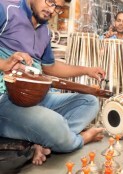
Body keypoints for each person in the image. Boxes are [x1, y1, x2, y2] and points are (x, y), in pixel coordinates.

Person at [0, 0, 105, 165]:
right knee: (53, 122)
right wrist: (4, 64)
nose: (52, 9)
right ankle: (78, 140)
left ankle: (43, 140)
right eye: (50, 1)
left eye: (58, 7)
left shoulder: (45, 32)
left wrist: (86, 70)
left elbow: (50, 67)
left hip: (38, 97)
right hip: (6, 98)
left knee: (89, 102)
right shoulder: (5, 9)